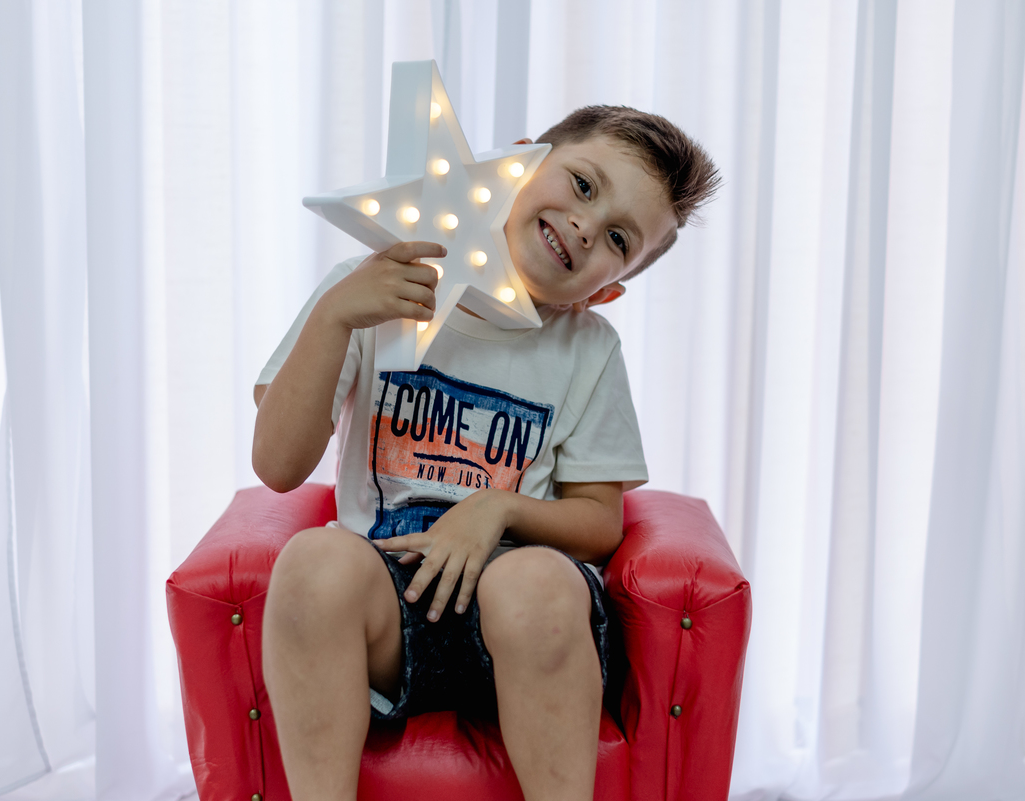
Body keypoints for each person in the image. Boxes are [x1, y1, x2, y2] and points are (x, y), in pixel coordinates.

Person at [252, 105, 719, 801]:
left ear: (607, 291)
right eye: (583, 185)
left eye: (618, 238)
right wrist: (336, 315)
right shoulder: (372, 287)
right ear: (516, 165)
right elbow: (278, 466)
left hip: (529, 627)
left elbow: (600, 522)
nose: (586, 226)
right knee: (314, 560)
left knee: (533, 582)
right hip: (390, 611)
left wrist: (497, 508)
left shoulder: (588, 349)